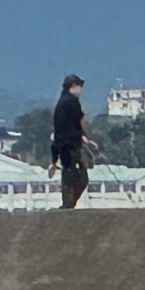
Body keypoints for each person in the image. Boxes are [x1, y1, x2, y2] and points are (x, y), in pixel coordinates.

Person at [49, 74, 100, 209]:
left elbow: (62, 127)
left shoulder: (61, 102)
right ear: (74, 86)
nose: (81, 91)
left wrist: (54, 159)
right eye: (79, 87)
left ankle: (67, 204)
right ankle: (68, 205)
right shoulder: (71, 102)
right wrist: (84, 139)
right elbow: (76, 124)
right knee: (80, 178)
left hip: (62, 146)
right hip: (71, 146)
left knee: (68, 176)